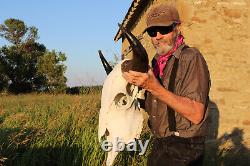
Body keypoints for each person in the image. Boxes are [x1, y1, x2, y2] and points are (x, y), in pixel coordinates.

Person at [122, 4, 211, 166]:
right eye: (152, 32)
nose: (157, 36)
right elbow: (158, 103)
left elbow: (196, 114)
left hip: (185, 148)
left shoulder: (191, 58)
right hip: (160, 142)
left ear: (178, 27)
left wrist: (153, 86)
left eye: (164, 29)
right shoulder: (156, 62)